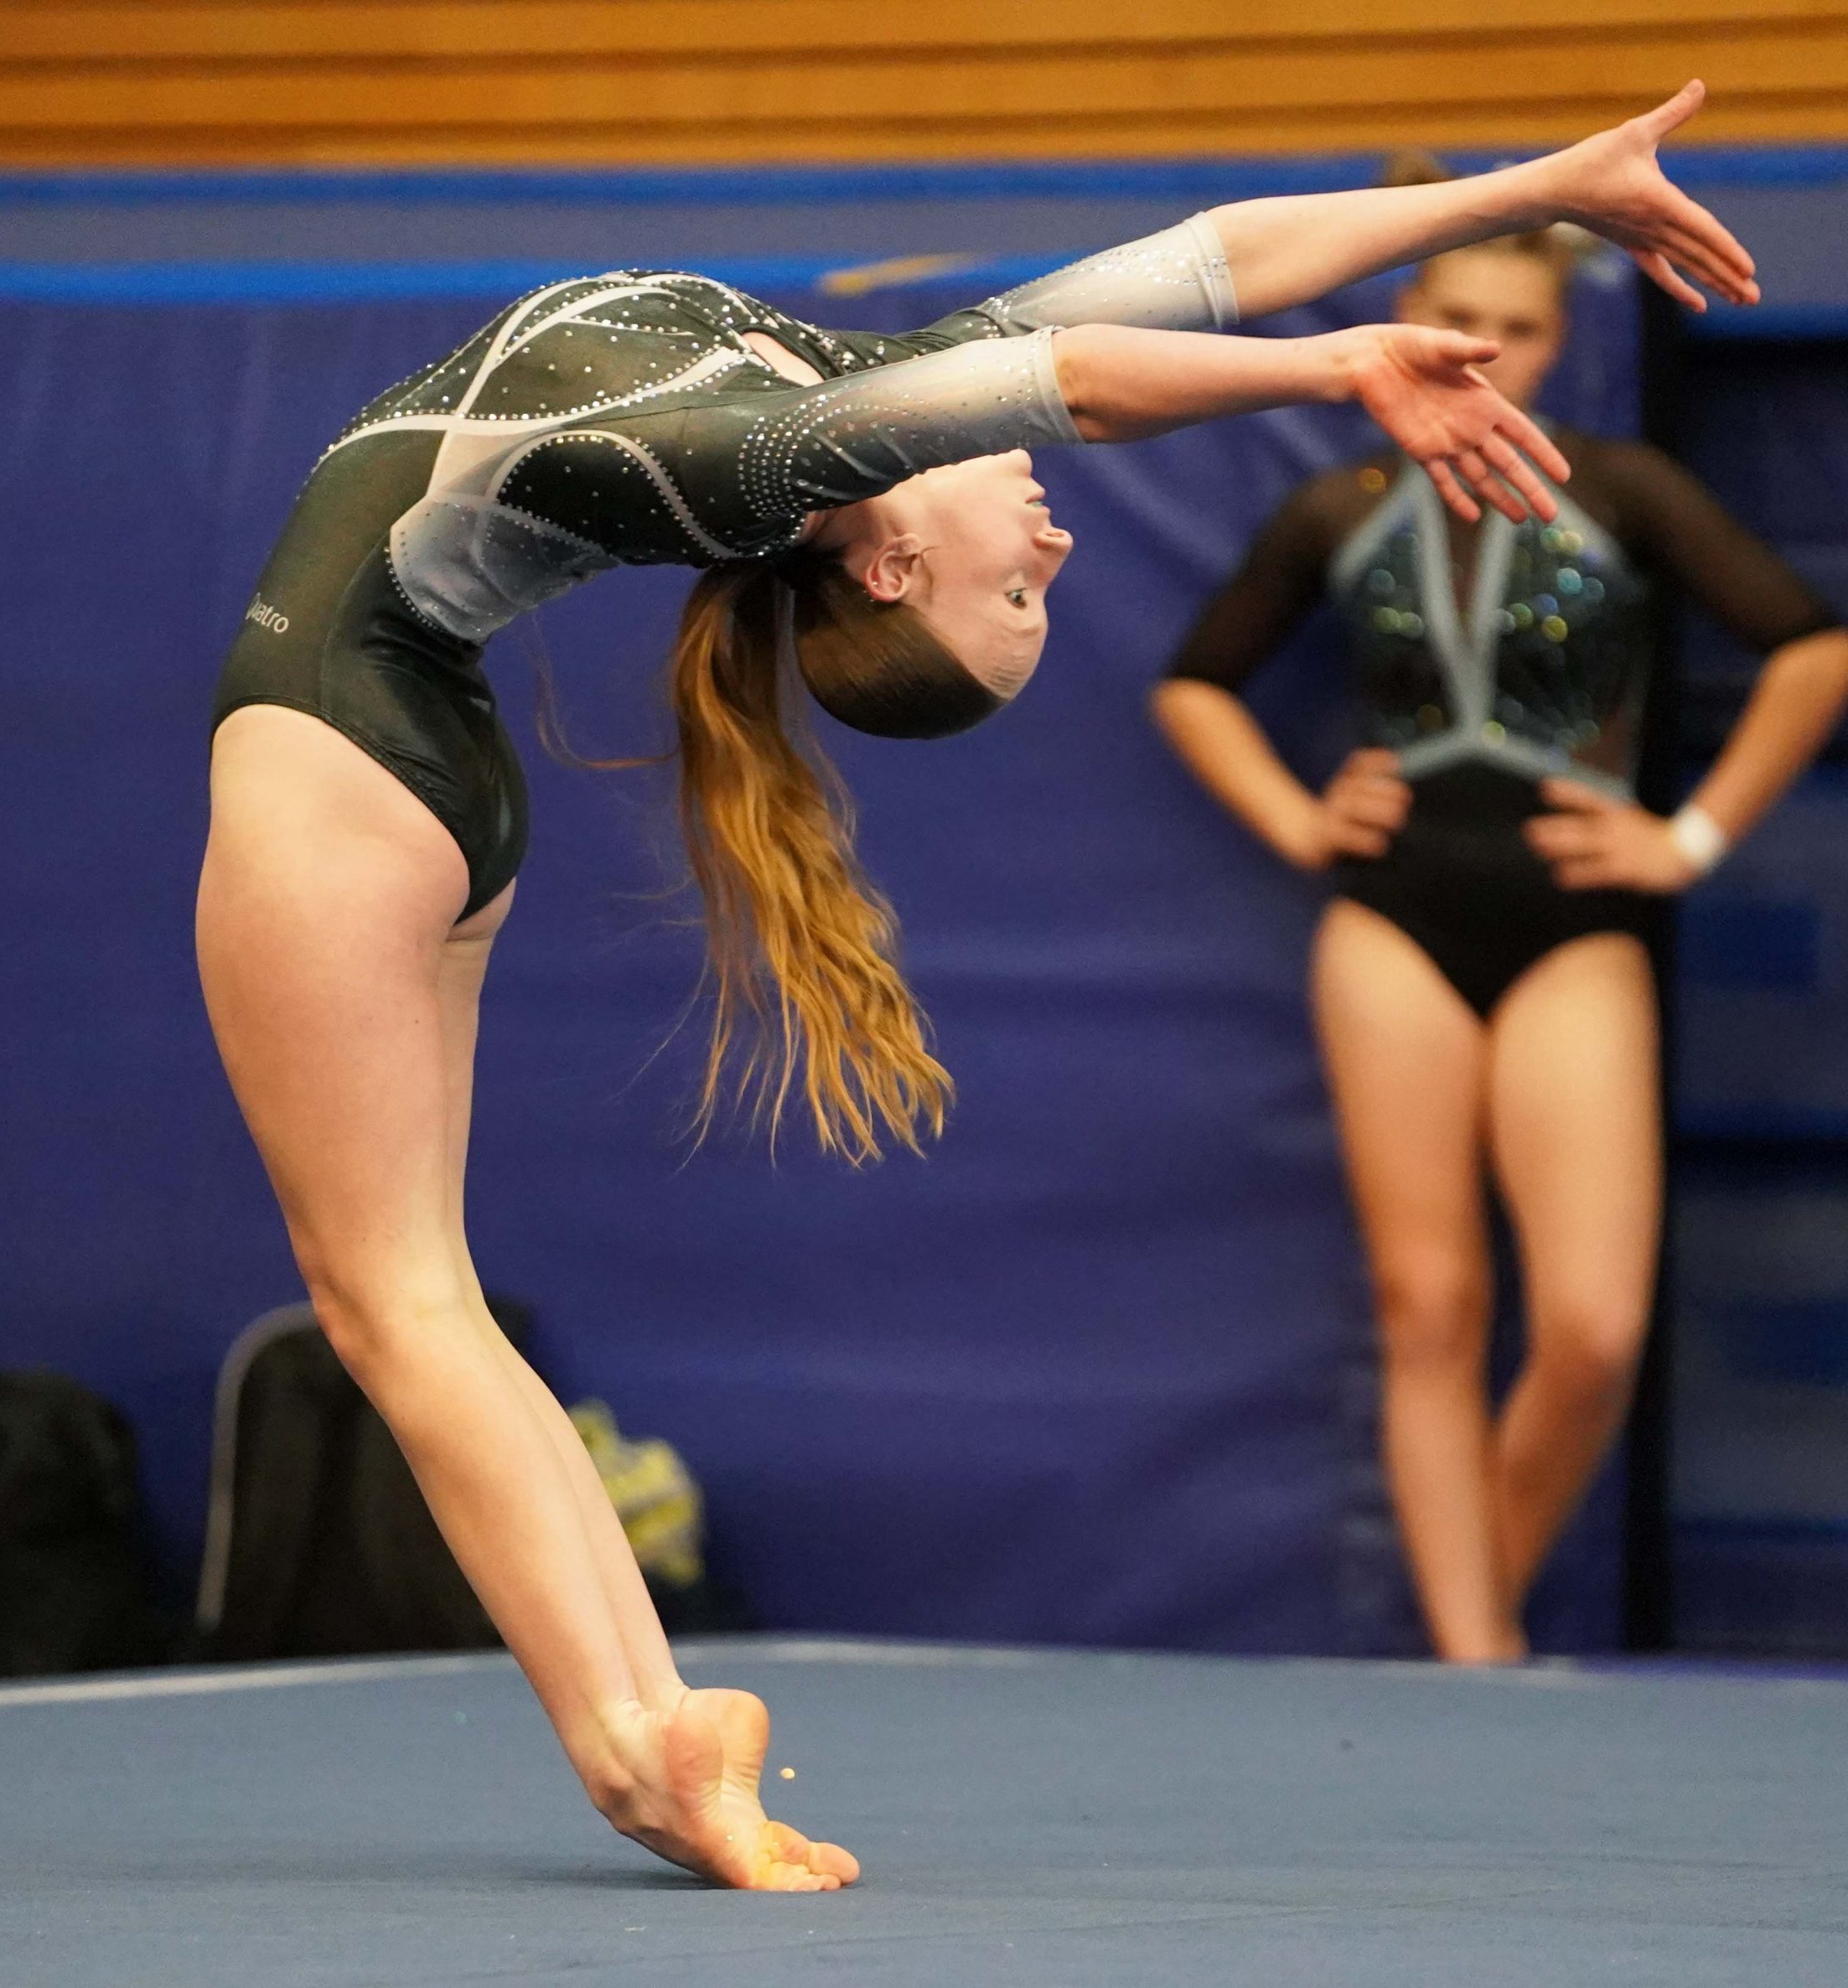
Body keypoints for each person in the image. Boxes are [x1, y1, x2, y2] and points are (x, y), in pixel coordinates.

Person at [198, 85, 1757, 1882]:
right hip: (416, 757)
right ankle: (648, 1727)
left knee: (392, 1300)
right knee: (423, 1296)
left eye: (1014, 604)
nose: (1056, 555)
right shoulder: (837, 397)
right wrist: (1536, 186)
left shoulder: (778, 462)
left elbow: (1088, 382)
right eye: (1034, 603)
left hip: (340, 743)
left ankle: (636, 1745)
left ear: (889, 562)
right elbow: (1208, 264)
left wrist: (1342, 372)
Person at [1152, 139, 1848, 1666]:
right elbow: (1196, 684)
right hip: (1391, 921)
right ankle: (1480, 1663)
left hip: (1572, 920)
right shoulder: (1341, 505)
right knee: (1430, 1303)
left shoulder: (1625, 491)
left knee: (1593, 1327)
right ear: (1412, 318)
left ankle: (1469, 1618)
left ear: (1557, 343)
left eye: (1519, 327)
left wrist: (1689, 839)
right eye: (1460, 316)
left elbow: (1814, 647)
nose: (1486, 348)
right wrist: (1296, 814)